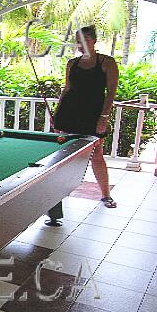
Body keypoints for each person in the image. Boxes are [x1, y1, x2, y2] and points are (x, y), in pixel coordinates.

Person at [54, 25, 119, 208]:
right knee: (65, 154)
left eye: (85, 41)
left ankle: (106, 195)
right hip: (69, 113)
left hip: (93, 114)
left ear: (94, 41)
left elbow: (111, 92)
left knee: (96, 154)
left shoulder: (107, 62)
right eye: (78, 41)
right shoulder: (72, 63)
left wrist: (104, 117)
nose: (81, 45)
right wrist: (58, 112)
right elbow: (66, 89)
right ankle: (59, 193)